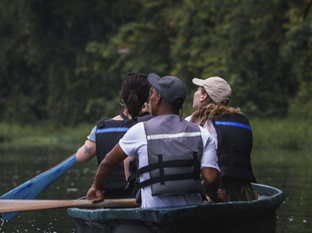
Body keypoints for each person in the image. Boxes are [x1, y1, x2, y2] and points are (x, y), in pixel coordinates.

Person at [86, 73, 221, 208]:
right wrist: (213, 196)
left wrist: (97, 187)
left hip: (154, 214)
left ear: (158, 98)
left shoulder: (140, 130)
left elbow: (108, 163)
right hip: (191, 212)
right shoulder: (202, 133)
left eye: (152, 93)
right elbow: (210, 178)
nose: (150, 98)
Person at [74, 73, 151, 198]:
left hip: (110, 197)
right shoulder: (153, 126)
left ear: (122, 98)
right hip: (142, 197)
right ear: (147, 99)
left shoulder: (102, 127)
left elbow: (81, 157)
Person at [187, 76, 258, 202]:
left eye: (197, 90)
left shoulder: (196, 121)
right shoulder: (242, 119)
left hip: (213, 190)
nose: (195, 93)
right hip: (245, 191)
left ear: (203, 96)